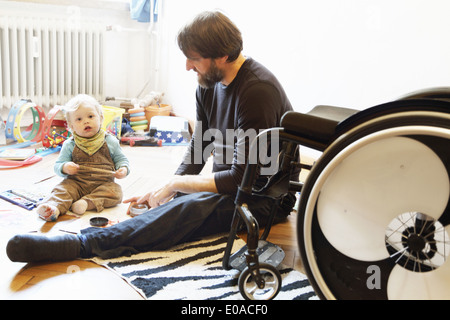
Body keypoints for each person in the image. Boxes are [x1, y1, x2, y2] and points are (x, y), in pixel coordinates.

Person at [6, 11, 297, 263]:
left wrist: (176, 186)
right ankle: (132, 225)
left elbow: (239, 180)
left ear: (222, 55)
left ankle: (82, 244)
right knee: (175, 198)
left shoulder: (257, 91)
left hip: (262, 198)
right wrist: (168, 187)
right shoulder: (208, 85)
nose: (187, 66)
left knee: (188, 207)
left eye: (194, 59)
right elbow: (200, 146)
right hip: (234, 185)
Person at [36, 94, 130, 221]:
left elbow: (121, 160)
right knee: (62, 189)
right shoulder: (70, 144)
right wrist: (65, 167)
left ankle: (86, 203)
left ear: (101, 118)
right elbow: (58, 165)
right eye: (79, 119)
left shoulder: (110, 141)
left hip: (103, 184)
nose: (86, 121)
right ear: (72, 126)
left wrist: (123, 170)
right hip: (76, 183)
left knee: (116, 192)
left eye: (91, 116)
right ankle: (53, 208)